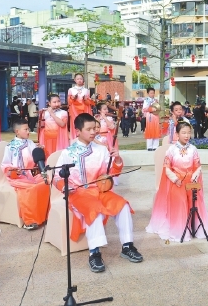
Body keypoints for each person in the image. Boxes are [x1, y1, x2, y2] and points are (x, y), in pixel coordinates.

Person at [54, 113, 143, 273]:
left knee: (122, 205)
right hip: (79, 193)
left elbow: (111, 173)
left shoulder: (101, 149)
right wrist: (64, 186)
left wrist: (116, 160)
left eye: (94, 128)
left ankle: (127, 246)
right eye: (88, 129)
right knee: (94, 208)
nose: (93, 132)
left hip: (100, 189)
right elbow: (56, 177)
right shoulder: (67, 153)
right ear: (78, 131)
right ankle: (94, 253)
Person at [146, 121, 208, 241]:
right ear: (177, 134)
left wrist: (194, 177)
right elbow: (167, 168)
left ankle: (194, 226)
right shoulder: (171, 150)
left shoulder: (193, 149)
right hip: (177, 181)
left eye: (189, 133)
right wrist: (175, 179)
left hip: (190, 180)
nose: (186, 135)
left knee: (194, 200)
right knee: (180, 201)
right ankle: (179, 228)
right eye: (183, 133)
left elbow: (198, 166)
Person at [0, 119, 51, 230]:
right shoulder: (10, 147)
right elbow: (5, 165)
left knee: (47, 182)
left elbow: (37, 159)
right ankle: (30, 220)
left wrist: (41, 151)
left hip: (32, 174)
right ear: (17, 131)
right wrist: (13, 171)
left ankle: (44, 216)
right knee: (31, 189)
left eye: (28, 129)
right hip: (17, 176)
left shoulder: (30, 143)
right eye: (26, 129)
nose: (28, 131)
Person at [68, 73, 93, 139]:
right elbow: (69, 102)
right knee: (75, 123)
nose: (79, 80)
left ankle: (85, 137)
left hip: (84, 109)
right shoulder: (71, 90)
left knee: (85, 123)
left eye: (81, 79)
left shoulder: (86, 90)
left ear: (83, 80)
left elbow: (88, 103)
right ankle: (75, 138)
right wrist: (73, 98)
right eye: (78, 79)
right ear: (75, 80)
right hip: (74, 110)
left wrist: (85, 99)